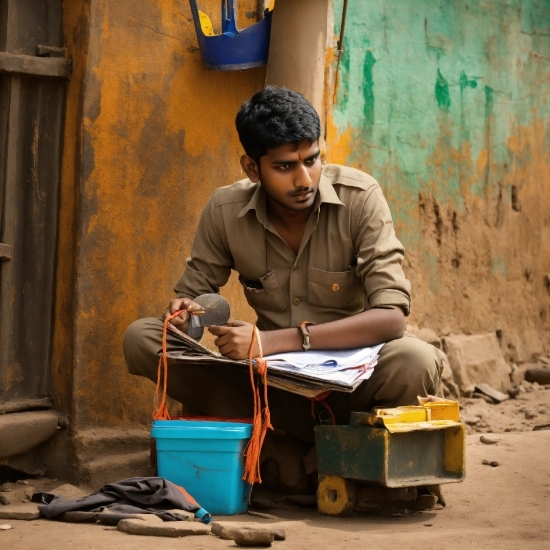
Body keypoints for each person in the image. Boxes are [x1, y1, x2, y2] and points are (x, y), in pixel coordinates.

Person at [123, 86, 442, 445]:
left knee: (415, 358)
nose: (304, 179)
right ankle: (285, 445)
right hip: (265, 390)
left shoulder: (360, 198)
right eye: (285, 166)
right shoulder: (225, 210)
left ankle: (319, 451)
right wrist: (186, 317)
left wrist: (269, 342)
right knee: (144, 337)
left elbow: (392, 317)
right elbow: (195, 300)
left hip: (351, 386)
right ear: (252, 168)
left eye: (311, 160)